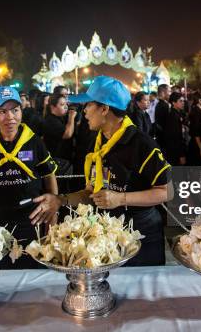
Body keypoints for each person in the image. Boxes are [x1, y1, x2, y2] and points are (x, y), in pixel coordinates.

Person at [64, 76, 172, 266]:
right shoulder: (97, 142)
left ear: (104, 109)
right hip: (108, 232)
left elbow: (167, 191)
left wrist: (120, 198)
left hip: (142, 234)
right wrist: (60, 200)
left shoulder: (142, 145)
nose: (84, 112)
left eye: (87, 105)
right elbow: (92, 193)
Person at [0, 86, 59, 269]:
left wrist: (52, 219)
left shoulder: (33, 141)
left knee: (33, 272)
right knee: (2, 274)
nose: (10, 117)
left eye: (15, 110)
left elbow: (49, 177)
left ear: (22, 110)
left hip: (32, 220)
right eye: (2, 111)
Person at [43, 94, 76, 178]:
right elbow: (67, 134)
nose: (66, 107)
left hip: (64, 159)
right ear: (53, 107)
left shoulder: (60, 118)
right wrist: (71, 117)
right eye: (62, 105)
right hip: (58, 161)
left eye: (66, 104)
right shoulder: (50, 120)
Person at [164, 92, 187, 166]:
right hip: (175, 153)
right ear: (173, 103)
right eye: (180, 101)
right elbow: (176, 137)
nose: (183, 103)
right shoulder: (173, 116)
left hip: (176, 151)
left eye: (183, 101)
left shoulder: (177, 113)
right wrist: (181, 155)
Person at [187, 91, 201, 166]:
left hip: (197, 144)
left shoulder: (197, 110)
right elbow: (196, 133)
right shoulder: (197, 112)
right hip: (196, 146)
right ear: (200, 101)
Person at [154, 84, 171, 156]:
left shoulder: (159, 104)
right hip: (165, 140)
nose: (170, 93)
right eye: (169, 91)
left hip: (161, 138)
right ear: (163, 92)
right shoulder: (163, 105)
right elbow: (166, 124)